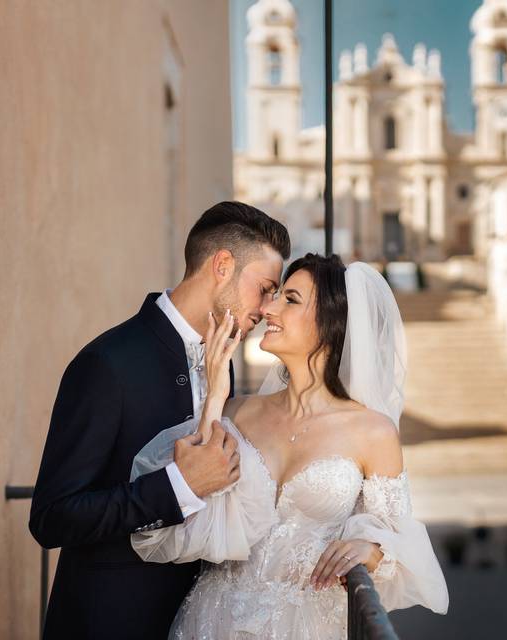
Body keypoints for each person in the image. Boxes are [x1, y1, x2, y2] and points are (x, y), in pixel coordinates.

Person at [131, 253, 449, 638]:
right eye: (274, 295)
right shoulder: (239, 411)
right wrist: (214, 397)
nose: (268, 307)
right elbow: (190, 514)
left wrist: (373, 550)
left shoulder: (373, 432)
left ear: (330, 324)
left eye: (290, 299)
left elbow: (399, 540)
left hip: (308, 627)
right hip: (212, 621)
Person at [29, 201, 290, 639]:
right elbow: (52, 518)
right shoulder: (107, 363)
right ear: (222, 265)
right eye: (265, 287)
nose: (267, 307)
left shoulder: (222, 364)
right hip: (108, 623)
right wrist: (179, 486)